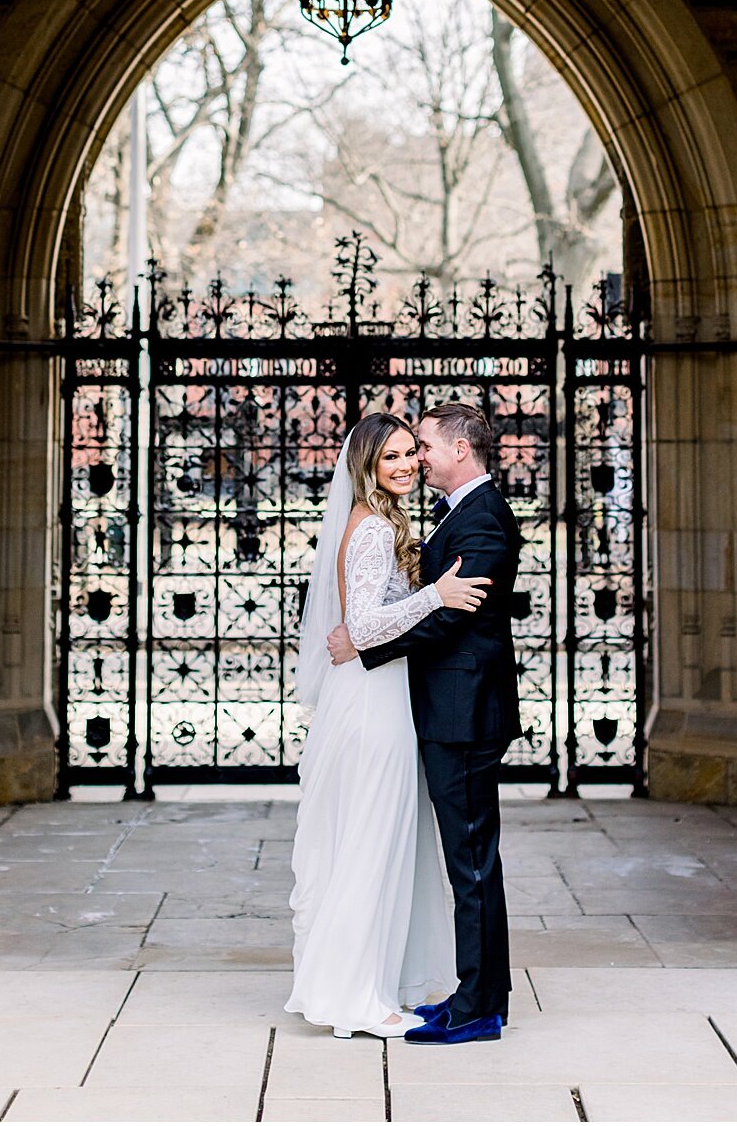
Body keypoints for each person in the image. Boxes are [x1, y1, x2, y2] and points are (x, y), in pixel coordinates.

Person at [285, 413, 490, 1040]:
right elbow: (365, 626)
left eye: (411, 453)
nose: (405, 465)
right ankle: (358, 1000)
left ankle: (363, 985)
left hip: (376, 697)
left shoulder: (377, 523)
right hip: (372, 706)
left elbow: (358, 628)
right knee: (371, 847)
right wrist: (437, 596)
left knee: (371, 844)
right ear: (366, 465)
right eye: (391, 456)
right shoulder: (373, 531)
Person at [327, 402, 521, 1047]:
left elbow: (455, 616)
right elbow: (431, 601)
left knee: (469, 862)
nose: (417, 458)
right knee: (464, 860)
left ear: (460, 450)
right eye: (404, 451)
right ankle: (476, 993)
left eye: (424, 447)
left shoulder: (484, 519)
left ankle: (479, 1008)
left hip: (464, 713)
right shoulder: (458, 513)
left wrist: (365, 643)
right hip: (446, 708)